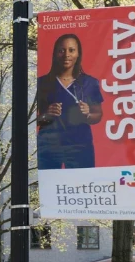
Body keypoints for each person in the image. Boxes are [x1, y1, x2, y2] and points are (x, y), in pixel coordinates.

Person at [37, 34, 104, 170]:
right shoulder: (42, 83)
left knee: (82, 182)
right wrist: (47, 114)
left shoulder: (90, 83)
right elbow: (34, 120)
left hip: (80, 146)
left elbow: (98, 114)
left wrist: (88, 114)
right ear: (55, 53)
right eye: (61, 50)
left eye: (71, 50)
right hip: (49, 146)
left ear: (78, 54)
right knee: (50, 183)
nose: (66, 55)